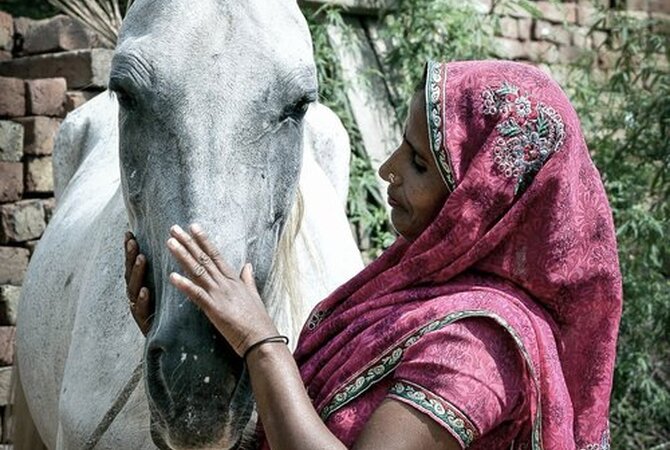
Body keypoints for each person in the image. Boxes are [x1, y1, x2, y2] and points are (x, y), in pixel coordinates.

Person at [124, 60, 622, 449]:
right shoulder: (408, 294)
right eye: (400, 148)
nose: (387, 169)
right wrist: (202, 357)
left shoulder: (478, 344)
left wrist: (260, 341)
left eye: (419, 163)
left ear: (481, 201)